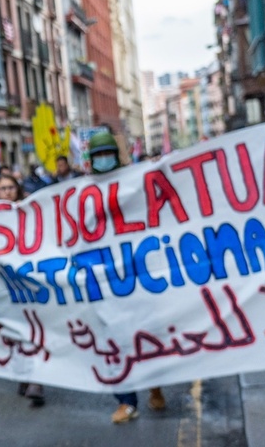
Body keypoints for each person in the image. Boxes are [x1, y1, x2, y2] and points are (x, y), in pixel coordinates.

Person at [87, 131, 166, 422]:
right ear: (91, 160)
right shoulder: (81, 190)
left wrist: (158, 168)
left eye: (107, 154)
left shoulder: (135, 181)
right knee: (114, 342)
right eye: (98, 155)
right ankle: (126, 401)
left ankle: (155, 387)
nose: (103, 160)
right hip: (105, 279)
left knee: (146, 337)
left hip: (138, 274)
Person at [0, 174, 45, 407]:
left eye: (11, 187)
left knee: (35, 329)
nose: (7, 192)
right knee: (14, 331)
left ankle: (37, 381)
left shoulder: (31, 211)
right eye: (3, 188)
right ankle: (24, 375)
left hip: (30, 284)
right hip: (4, 286)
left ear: (18, 189)